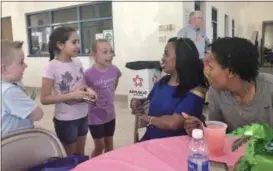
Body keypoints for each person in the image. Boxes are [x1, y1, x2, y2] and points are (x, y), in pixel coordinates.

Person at [184, 37, 273, 135]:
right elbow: (220, 131)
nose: (206, 72)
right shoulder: (216, 92)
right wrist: (203, 129)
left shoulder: (269, 88)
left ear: (230, 71)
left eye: (211, 68)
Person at [130, 37, 208, 141]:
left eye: (166, 54)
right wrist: (138, 102)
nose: (162, 58)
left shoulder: (196, 90)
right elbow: (151, 101)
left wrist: (145, 118)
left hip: (174, 146)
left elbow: (173, 123)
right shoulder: (162, 82)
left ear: (182, 58)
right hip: (150, 141)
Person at [40, 27, 97, 156]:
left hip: (83, 115)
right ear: (60, 45)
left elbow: (82, 85)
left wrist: (89, 91)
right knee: (69, 157)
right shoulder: (51, 67)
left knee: (80, 154)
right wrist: (72, 95)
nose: (78, 46)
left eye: (78, 42)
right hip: (66, 120)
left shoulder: (77, 62)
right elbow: (44, 99)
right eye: (74, 42)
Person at [85, 39, 121, 157]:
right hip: (95, 116)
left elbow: (115, 82)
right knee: (99, 146)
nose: (109, 55)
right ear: (94, 55)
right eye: (105, 52)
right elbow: (84, 91)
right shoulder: (88, 74)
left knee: (109, 146)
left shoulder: (114, 69)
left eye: (111, 52)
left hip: (110, 114)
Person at [1, 40, 43, 136]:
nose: (26, 66)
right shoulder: (9, 91)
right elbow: (37, 114)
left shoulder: (12, 84)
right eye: (21, 62)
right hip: (16, 140)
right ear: (3, 69)